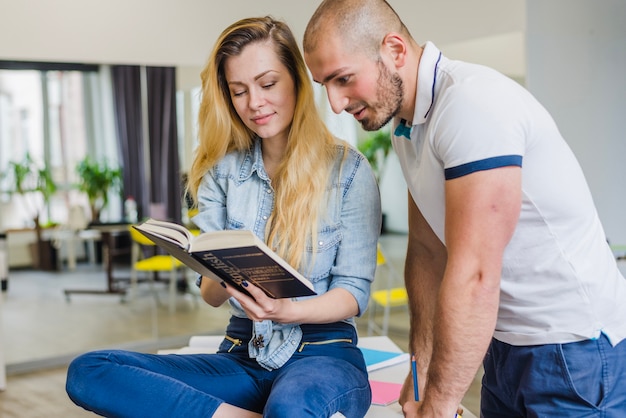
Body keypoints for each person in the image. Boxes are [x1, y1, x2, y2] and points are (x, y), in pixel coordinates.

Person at [303, 1, 626, 417]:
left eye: (343, 79)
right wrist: (419, 372)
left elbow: (475, 274)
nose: (334, 102)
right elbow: (426, 251)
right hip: (505, 346)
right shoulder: (409, 126)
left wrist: (437, 405)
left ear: (395, 50)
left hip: (572, 349)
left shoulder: (471, 105)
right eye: (323, 84)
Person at [66, 16, 381, 418]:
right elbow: (211, 296)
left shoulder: (349, 171)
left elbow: (353, 294)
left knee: (290, 408)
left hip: (323, 354)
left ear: (297, 83)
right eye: (238, 91)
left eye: (268, 84)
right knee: (90, 371)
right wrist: (211, 267)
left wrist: (288, 311)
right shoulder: (220, 172)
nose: (254, 103)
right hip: (242, 353)